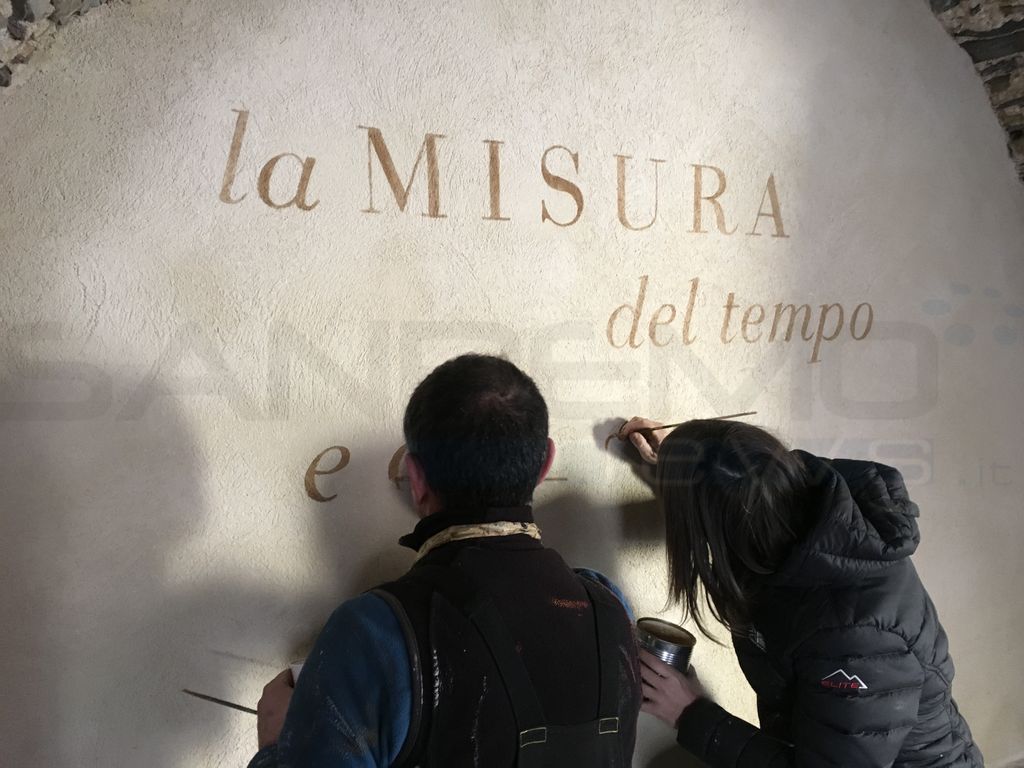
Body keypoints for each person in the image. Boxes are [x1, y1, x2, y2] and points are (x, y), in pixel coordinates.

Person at [248, 355, 642, 768]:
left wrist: (276, 744)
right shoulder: (610, 607)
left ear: (416, 479)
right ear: (545, 463)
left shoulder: (374, 630)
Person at [616, 416, 983, 767]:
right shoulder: (798, 498)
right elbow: (742, 478)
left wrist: (691, 714)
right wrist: (686, 458)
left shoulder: (856, 638)